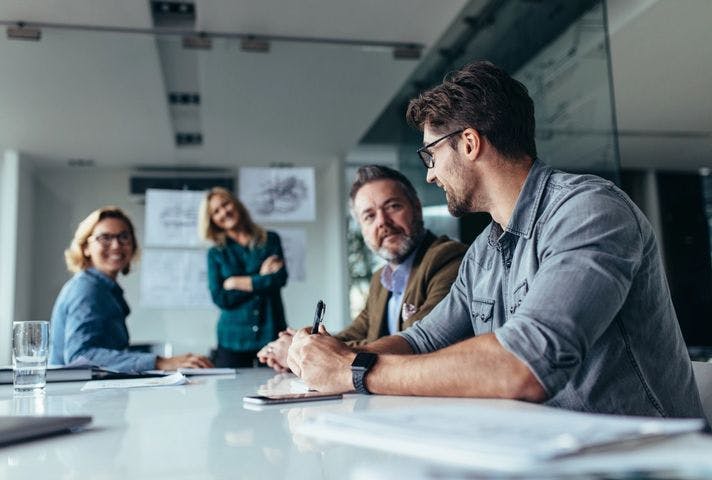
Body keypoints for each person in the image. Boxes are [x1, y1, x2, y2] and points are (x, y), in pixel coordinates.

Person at [286, 61, 704, 418]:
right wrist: (328, 359)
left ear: (468, 143)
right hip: (544, 452)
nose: (430, 174)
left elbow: (525, 364)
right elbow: (422, 339)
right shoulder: (485, 251)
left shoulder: (589, 211)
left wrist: (354, 370)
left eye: (431, 155)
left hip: (643, 460)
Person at [257, 165, 467, 371]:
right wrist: (300, 344)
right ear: (362, 227)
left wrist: (305, 352)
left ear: (417, 208)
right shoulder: (381, 279)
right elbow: (353, 334)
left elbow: (419, 342)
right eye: (369, 216)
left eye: (393, 206)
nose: (383, 222)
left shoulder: (446, 259)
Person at [49, 206, 213, 373]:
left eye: (124, 237)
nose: (116, 245)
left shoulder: (106, 290)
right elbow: (80, 356)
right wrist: (159, 362)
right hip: (74, 396)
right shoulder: (87, 289)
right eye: (105, 237)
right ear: (85, 247)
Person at [199, 187, 288, 368]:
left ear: (236, 204)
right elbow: (221, 298)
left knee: (277, 390)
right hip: (233, 340)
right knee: (228, 395)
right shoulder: (216, 253)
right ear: (212, 220)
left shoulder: (270, 240)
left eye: (226, 204)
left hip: (271, 332)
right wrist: (261, 278)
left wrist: (236, 282)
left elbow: (279, 279)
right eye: (216, 211)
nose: (224, 212)